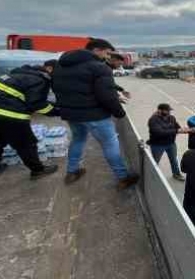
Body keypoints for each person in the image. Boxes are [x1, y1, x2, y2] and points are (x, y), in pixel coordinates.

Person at [52, 38, 139, 189]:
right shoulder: (99, 67)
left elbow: (56, 88)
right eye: (107, 52)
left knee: (78, 139)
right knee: (109, 143)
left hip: (71, 114)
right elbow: (107, 95)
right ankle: (123, 177)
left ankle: (72, 172)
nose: (108, 56)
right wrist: (119, 113)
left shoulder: (61, 65)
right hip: (95, 115)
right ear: (97, 50)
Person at [0, 64, 59, 179]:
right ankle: (37, 170)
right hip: (7, 115)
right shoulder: (40, 80)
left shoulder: (13, 75)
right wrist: (58, 112)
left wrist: (54, 105)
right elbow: (37, 104)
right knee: (25, 143)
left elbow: (25, 97)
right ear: (49, 70)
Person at [148, 103, 190, 181]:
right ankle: (150, 176)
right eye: (166, 110)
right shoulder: (153, 120)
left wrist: (187, 130)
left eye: (169, 110)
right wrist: (176, 131)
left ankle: (176, 174)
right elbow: (159, 132)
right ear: (159, 110)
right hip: (157, 145)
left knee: (174, 159)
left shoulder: (172, 118)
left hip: (171, 143)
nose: (169, 112)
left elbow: (178, 127)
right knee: (155, 161)